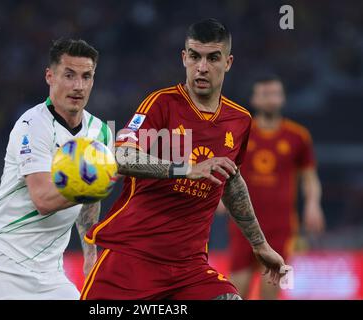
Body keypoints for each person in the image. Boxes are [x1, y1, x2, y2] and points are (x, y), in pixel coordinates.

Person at [81, 18, 285, 300]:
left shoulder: (240, 120)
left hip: (189, 270)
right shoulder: (161, 104)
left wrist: (260, 245)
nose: (202, 67)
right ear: (184, 58)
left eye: (213, 58)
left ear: (228, 62)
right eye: (195, 56)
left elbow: (232, 181)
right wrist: (186, 169)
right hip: (130, 260)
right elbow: (120, 155)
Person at [0, 39, 113, 299]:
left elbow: (88, 204)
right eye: (69, 75)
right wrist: (92, 184)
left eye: (86, 76)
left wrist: (91, 255)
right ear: (50, 76)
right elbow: (43, 199)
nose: (78, 86)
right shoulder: (32, 125)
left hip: (49, 272)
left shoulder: (100, 131)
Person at [228, 75, 325, 299]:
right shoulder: (239, 132)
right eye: (265, 94)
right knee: (235, 290)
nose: (271, 99)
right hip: (243, 225)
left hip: (281, 227)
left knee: (271, 292)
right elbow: (226, 168)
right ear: (254, 99)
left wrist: (313, 204)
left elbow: (310, 177)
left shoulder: (298, 136)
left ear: (282, 98)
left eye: (275, 94)